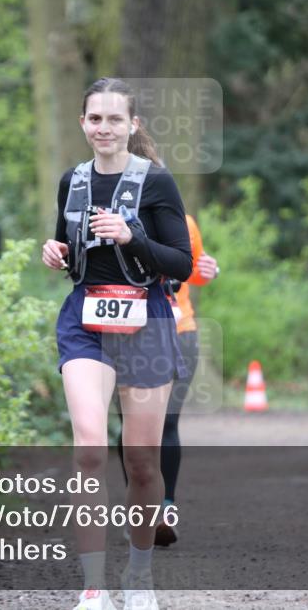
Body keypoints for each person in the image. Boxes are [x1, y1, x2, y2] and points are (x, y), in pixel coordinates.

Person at [42, 78, 192, 610]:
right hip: (85, 321)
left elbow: (182, 263)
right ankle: (92, 586)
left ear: (132, 125)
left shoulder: (157, 182)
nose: (103, 128)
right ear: (82, 123)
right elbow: (69, 248)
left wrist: (134, 237)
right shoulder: (73, 181)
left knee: (142, 461)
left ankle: (139, 574)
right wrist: (55, 253)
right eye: (95, 119)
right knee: (88, 448)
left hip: (146, 321)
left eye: (114, 119)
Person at [117, 215, 219, 547]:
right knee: (130, 425)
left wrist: (209, 271)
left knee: (168, 422)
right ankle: (138, 509)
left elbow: (194, 270)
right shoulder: (109, 218)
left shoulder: (182, 221)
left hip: (178, 330)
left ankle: (166, 510)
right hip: (126, 331)